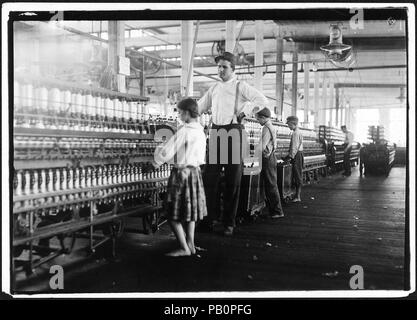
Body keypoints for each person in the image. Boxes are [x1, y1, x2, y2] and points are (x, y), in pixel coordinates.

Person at [197, 51, 271, 236]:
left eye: (224, 67)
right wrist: (184, 110)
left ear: (233, 69)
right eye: (219, 66)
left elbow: (262, 100)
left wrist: (244, 111)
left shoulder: (240, 86)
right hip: (216, 132)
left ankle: (229, 222)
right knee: (210, 179)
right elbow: (198, 107)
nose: (220, 70)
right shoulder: (214, 88)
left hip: (234, 132)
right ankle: (208, 220)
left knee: (233, 180)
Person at [152, 98, 207, 257]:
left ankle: (184, 248)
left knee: (172, 214)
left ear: (187, 112)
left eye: (180, 112)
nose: (179, 115)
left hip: (181, 174)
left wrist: (155, 163)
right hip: (194, 173)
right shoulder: (200, 131)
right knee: (190, 214)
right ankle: (190, 245)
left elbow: (167, 152)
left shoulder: (185, 131)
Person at [255, 107, 284, 218]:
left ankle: (278, 211)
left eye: (258, 119)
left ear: (263, 118)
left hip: (267, 159)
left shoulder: (266, 128)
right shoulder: (271, 126)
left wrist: (250, 154)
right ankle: (272, 209)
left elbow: (262, 146)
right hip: (270, 157)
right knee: (270, 183)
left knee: (271, 184)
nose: (258, 121)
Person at [283, 116, 304, 202]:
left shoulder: (295, 133)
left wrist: (289, 157)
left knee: (297, 175)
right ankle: (296, 195)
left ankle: (297, 196)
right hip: (299, 154)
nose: (288, 126)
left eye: (289, 124)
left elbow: (294, 148)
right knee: (297, 175)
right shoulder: (298, 131)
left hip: (296, 156)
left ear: (293, 124)